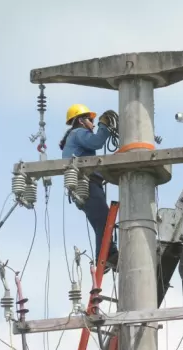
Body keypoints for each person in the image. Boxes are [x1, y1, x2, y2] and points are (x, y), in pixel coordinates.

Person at [59, 104, 119, 273]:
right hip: (87, 185)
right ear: (81, 120)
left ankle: (110, 253)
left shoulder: (73, 139)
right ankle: (105, 256)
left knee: (102, 222)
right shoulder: (78, 133)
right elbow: (97, 142)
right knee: (105, 220)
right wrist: (104, 126)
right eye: (91, 120)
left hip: (87, 186)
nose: (93, 124)